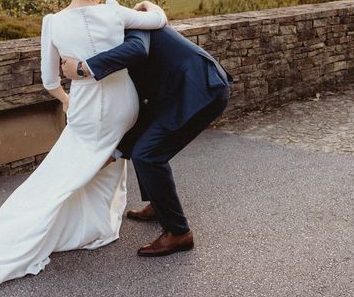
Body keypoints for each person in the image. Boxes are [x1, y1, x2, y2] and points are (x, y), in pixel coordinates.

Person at [0, 0, 167, 283]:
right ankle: (97, 223)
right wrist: (146, 5)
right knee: (106, 161)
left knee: (65, 170)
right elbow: (159, 20)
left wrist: (67, 100)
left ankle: (34, 231)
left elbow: (49, 81)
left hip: (86, 109)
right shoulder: (116, 14)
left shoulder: (53, 23)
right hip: (122, 106)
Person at [61, 18, 231, 257]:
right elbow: (143, 109)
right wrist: (115, 152)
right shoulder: (128, 34)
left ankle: (179, 232)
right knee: (146, 148)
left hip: (201, 89)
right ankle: (158, 206)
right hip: (179, 92)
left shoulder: (132, 28)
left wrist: (83, 68)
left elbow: (137, 49)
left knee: (147, 155)